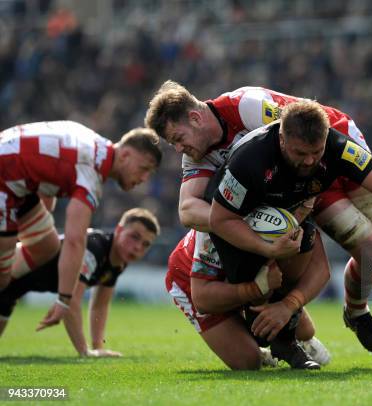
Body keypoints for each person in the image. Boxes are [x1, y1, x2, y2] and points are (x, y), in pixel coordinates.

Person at [145, 83, 372, 366]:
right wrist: (247, 220)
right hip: (300, 189)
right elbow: (188, 211)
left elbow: (305, 138)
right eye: (173, 144)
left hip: (332, 150)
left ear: (194, 118)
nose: (179, 148)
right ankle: (354, 315)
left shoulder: (247, 106)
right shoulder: (200, 157)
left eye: (178, 138)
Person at [208, 101, 372, 369]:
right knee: (261, 312)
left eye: (316, 152)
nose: (309, 160)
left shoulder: (334, 145)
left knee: (356, 249)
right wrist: (267, 250)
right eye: (300, 153)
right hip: (240, 222)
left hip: (298, 210)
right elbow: (219, 219)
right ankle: (278, 332)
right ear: (282, 139)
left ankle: (343, 318)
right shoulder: (252, 159)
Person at [0, 122, 162, 331]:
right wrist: (64, 300)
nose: (144, 179)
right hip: (6, 179)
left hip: (15, 173)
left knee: (47, 244)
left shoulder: (92, 142)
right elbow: (75, 240)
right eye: (144, 169)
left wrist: (35, 224)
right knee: (2, 280)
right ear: (125, 155)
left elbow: (45, 171)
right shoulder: (91, 172)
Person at [166, 225, 331, 370]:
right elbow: (202, 299)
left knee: (305, 331)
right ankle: (257, 343)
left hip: (249, 271)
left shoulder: (293, 204)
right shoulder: (212, 230)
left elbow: (321, 268)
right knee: (248, 361)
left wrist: (289, 304)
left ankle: (281, 340)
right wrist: (255, 289)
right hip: (190, 276)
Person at [0, 208, 159, 356]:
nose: (138, 247)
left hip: (11, 290)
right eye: (134, 237)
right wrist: (85, 352)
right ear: (118, 230)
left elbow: (100, 306)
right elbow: (71, 301)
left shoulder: (118, 264)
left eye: (146, 244)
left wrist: (98, 348)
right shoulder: (93, 247)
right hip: (7, 270)